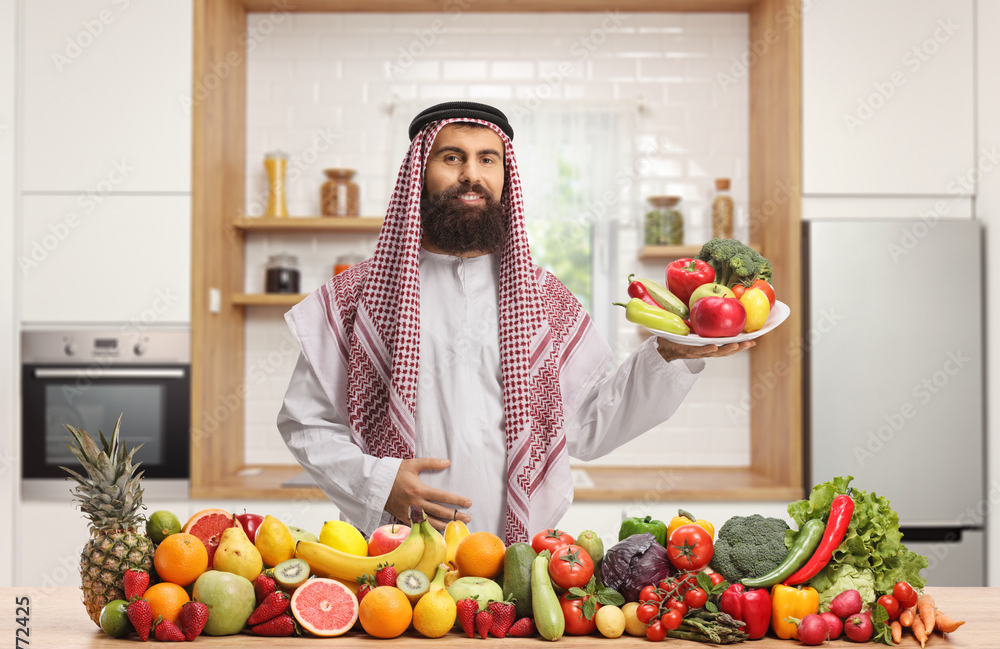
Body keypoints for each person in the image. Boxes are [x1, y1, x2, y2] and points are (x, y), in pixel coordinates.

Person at [277, 101, 753, 543]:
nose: (471, 175)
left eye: (487, 159)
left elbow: (588, 425)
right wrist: (379, 485)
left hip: (516, 565)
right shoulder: (358, 296)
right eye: (452, 158)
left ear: (505, 175)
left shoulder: (543, 299)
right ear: (418, 173)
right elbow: (305, 422)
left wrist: (668, 354)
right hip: (391, 562)